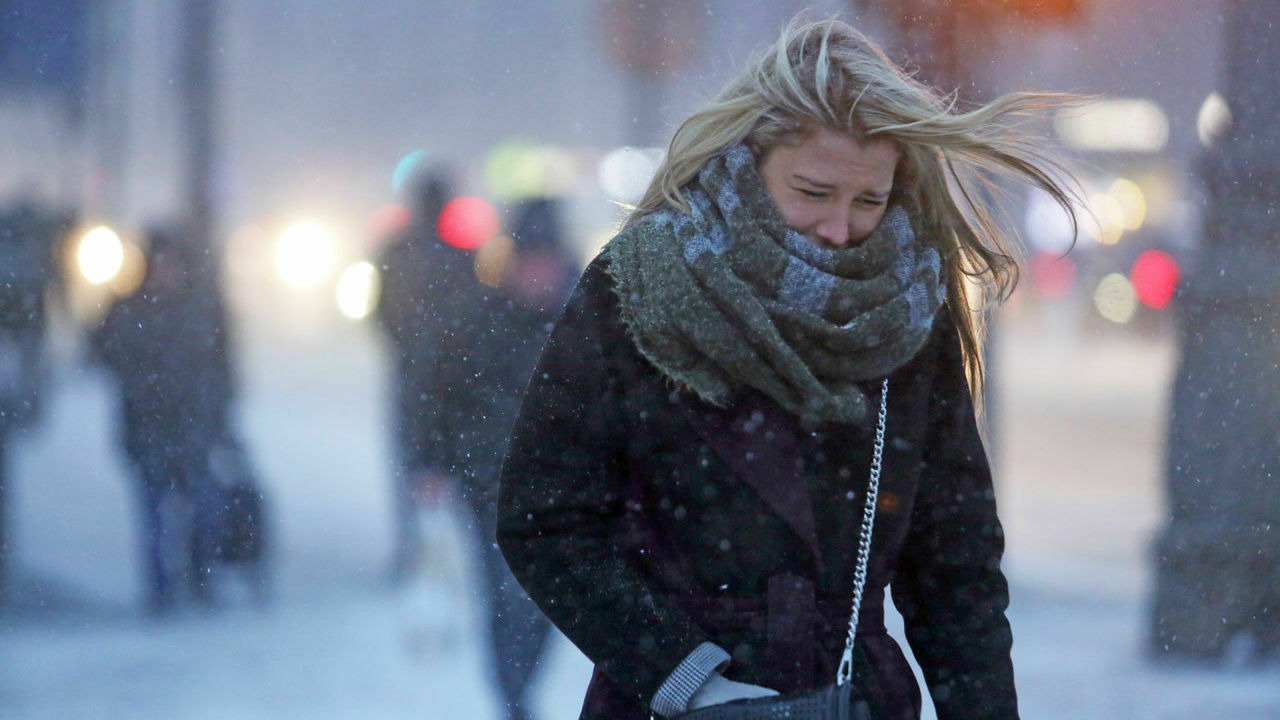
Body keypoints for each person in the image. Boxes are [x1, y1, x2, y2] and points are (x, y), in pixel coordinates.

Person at [496, 16, 1080, 720]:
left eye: (869, 200)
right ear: (750, 160)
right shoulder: (642, 286)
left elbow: (955, 567)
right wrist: (687, 676)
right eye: (813, 192)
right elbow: (545, 520)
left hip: (854, 701)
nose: (840, 228)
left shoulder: (911, 308)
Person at [92, 222, 236, 614]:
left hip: (191, 428)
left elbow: (223, 367)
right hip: (149, 427)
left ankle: (199, 580)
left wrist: (221, 417)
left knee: (203, 510)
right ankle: (160, 589)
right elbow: (98, 353)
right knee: (154, 514)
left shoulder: (199, 308)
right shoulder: (129, 309)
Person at [373, 161, 482, 583]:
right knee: (452, 462)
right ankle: (449, 553)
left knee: (410, 462)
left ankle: (413, 550)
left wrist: (406, 346)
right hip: (452, 375)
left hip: (411, 373)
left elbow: (380, 314)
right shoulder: (463, 258)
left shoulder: (395, 252)